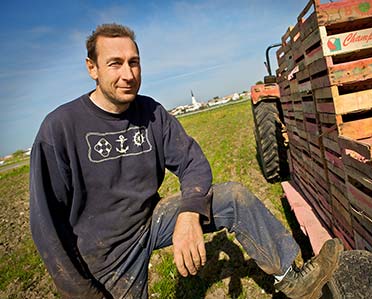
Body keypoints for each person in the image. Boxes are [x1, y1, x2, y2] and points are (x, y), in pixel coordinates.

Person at [29, 23, 343, 299]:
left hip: (148, 221)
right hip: (104, 254)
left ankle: (294, 282)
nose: (128, 74)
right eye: (115, 64)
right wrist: (81, 292)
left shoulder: (150, 113)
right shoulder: (60, 128)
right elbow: (47, 228)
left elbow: (193, 162)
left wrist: (189, 214)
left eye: (134, 63)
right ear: (92, 68)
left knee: (233, 197)